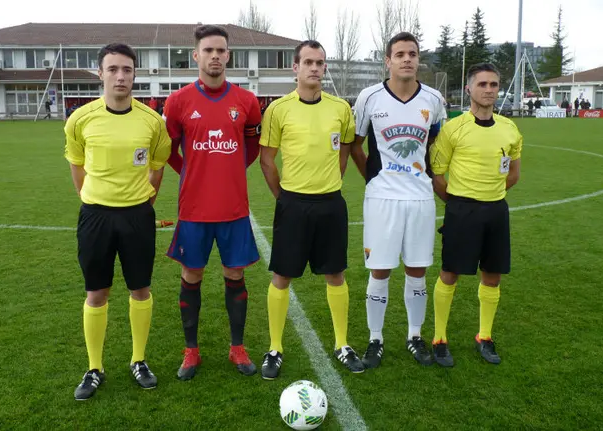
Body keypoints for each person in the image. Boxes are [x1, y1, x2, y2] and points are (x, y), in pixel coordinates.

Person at [64, 43, 171, 400]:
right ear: (100, 73)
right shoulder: (80, 119)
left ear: (135, 73)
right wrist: (91, 198)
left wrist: (142, 201)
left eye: (127, 69)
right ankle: (94, 368)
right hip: (95, 216)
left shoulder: (152, 121)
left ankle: (138, 360)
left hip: (138, 215)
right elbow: (77, 165)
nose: (120, 76)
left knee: (140, 289)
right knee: (97, 292)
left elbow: (157, 168)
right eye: (113, 69)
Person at [259, 39, 363, 380]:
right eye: (308, 62)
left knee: (336, 274)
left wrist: (331, 179)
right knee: (282, 275)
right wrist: (283, 197)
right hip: (293, 203)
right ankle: (275, 348)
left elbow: (345, 150)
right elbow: (267, 159)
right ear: (295, 68)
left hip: (331, 203)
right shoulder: (278, 109)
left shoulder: (340, 108)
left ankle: (342, 344)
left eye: (320, 62)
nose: (315, 68)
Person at [163, 25, 262, 381]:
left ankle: (237, 348)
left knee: (235, 275)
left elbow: (251, 149)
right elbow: (170, 152)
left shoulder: (247, 102)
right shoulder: (178, 102)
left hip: (234, 209)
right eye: (208, 50)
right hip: (194, 210)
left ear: (228, 55)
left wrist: (229, 170)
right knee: (192, 275)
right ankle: (191, 352)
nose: (215, 56)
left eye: (221, 50)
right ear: (196, 55)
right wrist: (193, 172)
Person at [348, 32, 446, 369]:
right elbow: (355, 144)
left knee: (417, 270)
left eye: (413, 54)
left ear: (419, 60)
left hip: (420, 198)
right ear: (387, 60)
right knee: (380, 270)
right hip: (382, 198)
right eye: (400, 54)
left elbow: (437, 148)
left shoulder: (433, 99)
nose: (407, 59)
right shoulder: (370, 97)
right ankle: (375, 339)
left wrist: (435, 181)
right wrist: (372, 177)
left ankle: (414, 336)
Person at [429, 63, 523, 367]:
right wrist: (457, 204)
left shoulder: (509, 129)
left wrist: (490, 196)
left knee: (492, 275)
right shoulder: (454, 128)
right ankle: (440, 338)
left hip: (496, 210)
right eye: (482, 84)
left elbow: (513, 175)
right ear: (469, 89)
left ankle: (484, 335)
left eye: (494, 84)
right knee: (450, 272)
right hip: (462, 210)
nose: (489, 90)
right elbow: (437, 175)